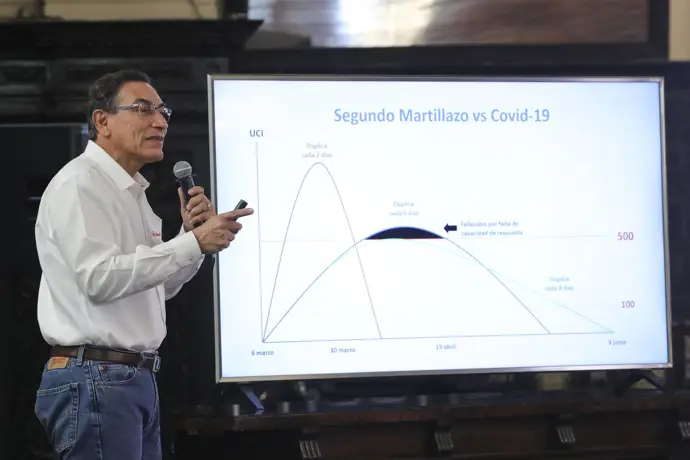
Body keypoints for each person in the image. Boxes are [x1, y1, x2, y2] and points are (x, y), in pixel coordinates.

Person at [32, 69, 253, 460]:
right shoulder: (80, 184)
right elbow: (99, 279)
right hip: (96, 376)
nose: (160, 121)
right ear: (102, 121)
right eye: (143, 109)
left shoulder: (131, 192)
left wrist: (192, 240)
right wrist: (191, 243)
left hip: (129, 378)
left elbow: (156, 288)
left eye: (163, 111)